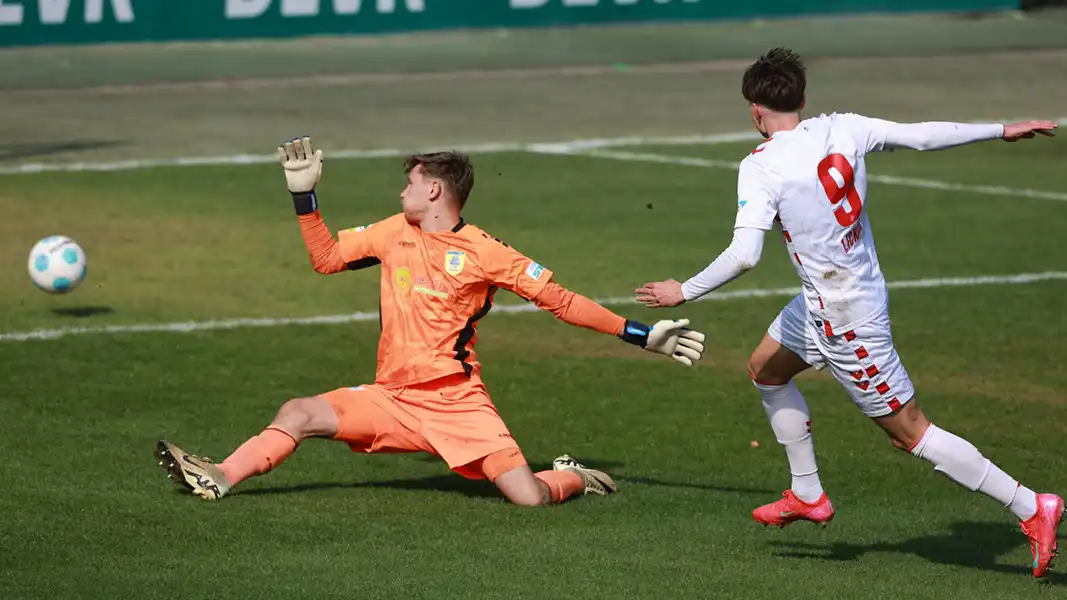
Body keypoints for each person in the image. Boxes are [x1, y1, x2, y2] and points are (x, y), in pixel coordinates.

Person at [635, 48, 1062, 576]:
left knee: (911, 432)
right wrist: (1001, 129)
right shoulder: (845, 128)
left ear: (754, 109)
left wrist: (684, 290)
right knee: (766, 370)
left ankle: (1031, 506)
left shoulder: (761, 167)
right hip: (826, 302)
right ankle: (807, 492)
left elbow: (745, 255)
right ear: (804, 99)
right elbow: (923, 134)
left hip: (847, 319)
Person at [156, 138, 706, 507]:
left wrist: (642, 334)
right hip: (392, 397)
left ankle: (575, 476)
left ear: (435, 190)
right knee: (298, 412)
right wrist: (305, 197)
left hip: (457, 403)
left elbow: (561, 301)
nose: (403, 192)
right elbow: (326, 257)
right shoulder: (393, 231)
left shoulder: (487, 252)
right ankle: (222, 475)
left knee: (528, 498)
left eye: (411, 183)